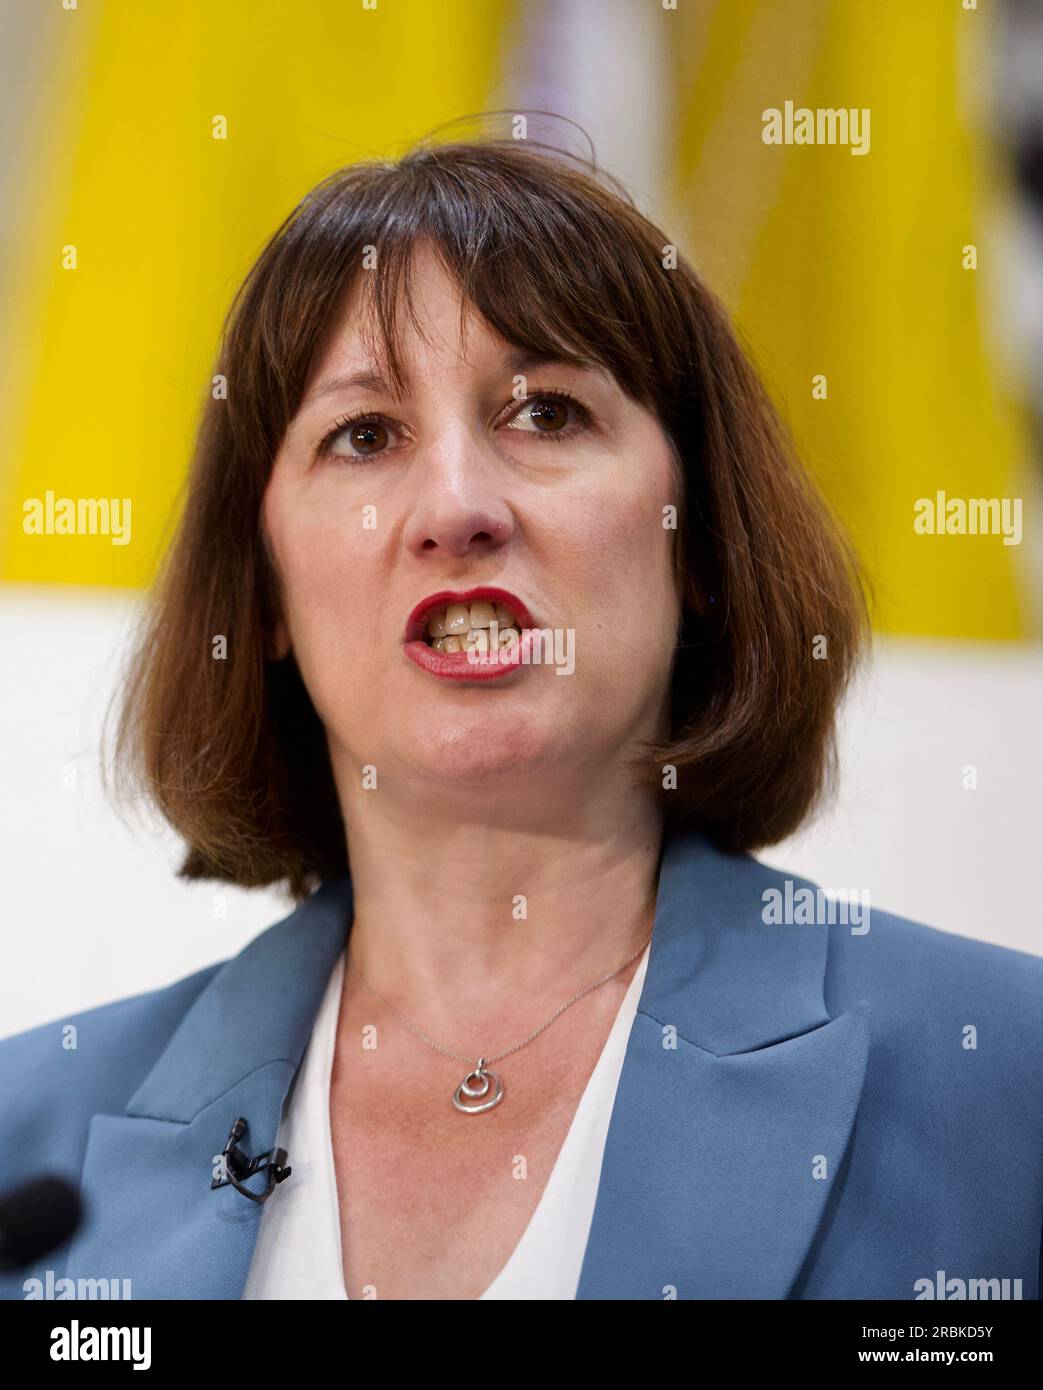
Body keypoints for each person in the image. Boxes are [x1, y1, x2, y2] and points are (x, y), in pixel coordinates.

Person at [2, 138, 1040, 1302]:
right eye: (363, 434)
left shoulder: (1006, 1074)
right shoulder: (25, 1143)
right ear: (267, 588)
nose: (455, 507)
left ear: (693, 536)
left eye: (546, 412)